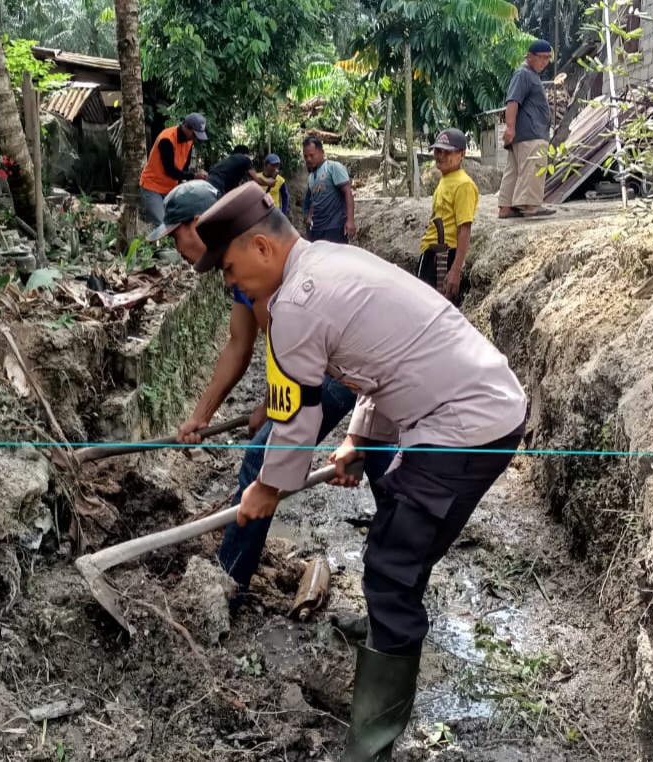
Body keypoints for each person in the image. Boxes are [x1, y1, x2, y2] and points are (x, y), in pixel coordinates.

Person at [194, 183, 527, 762]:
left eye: (229, 268)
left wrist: (265, 488)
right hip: (473, 404)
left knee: (393, 568)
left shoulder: (295, 303)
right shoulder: (330, 259)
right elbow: (381, 368)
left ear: (262, 249)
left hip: (463, 422)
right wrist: (357, 438)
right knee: (398, 549)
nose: (231, 284)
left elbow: (295, 417)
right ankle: (385, 633)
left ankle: (370, 745)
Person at [148, 182, 394, 614]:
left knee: (262, 460)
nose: (176, 247)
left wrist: (274, 405)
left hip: (333, 369)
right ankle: (394, 550)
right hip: (328, 367)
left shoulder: (259, 266)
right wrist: (200, 417)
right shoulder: (241, 274)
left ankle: (228, 584)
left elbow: (291, 348)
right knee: (381, 465)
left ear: (197, 225)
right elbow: (239, 346)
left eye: (175, 234)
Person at [418, 128, 479, 303]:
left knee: (434, 310)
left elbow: (464, 229)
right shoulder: (446, 179)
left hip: (444, 257)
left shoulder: (463, 185)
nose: (441, 156)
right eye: (438, 151)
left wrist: (455, 270)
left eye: (447, 152)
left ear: (462, 154)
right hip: (432, 253)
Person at [497, 40, 555, 219]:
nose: (544, 62)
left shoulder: (529, 74)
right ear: (529, 56)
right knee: (534, 166)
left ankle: (506, 208)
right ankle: (531, 206)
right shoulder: (524, 74)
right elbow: (512, 101)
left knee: (513, 171)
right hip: (531, 133)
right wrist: (510, 127)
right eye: (541, 57)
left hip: (524, 134)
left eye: (547, 58)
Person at [139, 113, 209, 226]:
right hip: (152, 187)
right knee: (162, 226)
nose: (195, 137)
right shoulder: (166, 139)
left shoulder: (189, 140)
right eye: (194, 133)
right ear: (185, 126)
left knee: (180, 223)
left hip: (170, 188)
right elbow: (170, 170)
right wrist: (194, 176)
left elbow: (184, 167)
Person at [302, 136, 355, 243]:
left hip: (334, 228)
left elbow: (347, 193)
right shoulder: (311, 177)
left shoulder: (333, 167)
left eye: (311, 155)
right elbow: (314, 199)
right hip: (316, 229)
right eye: (305, 156)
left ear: (322, 152)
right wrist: (309, 216)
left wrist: (350, 221)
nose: (308, 159)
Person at [207, 145, 275, 195]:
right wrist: (268, 183)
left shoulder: (226, 162)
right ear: (246, 154)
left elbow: (236, 188)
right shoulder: (244, 159)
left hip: (207, 184)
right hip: (218, 185)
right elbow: (257, 180)